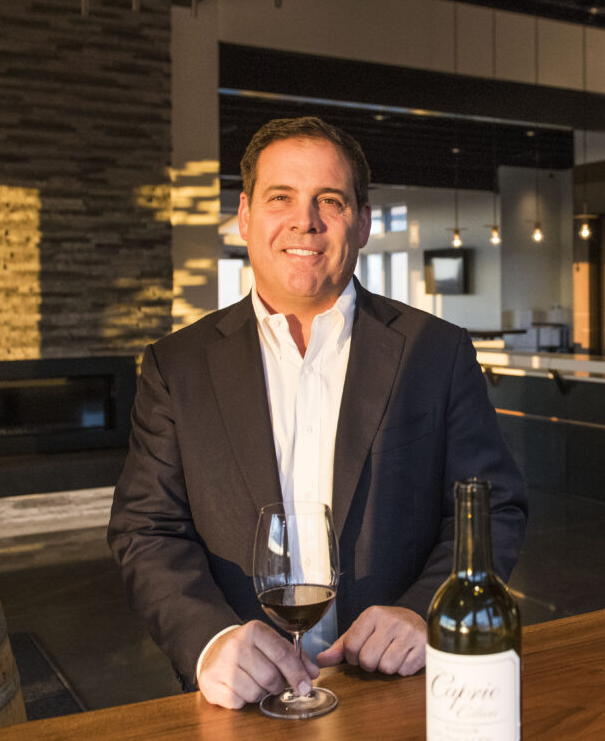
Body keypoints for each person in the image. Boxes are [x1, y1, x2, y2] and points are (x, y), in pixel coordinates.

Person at [107, 116, 528, 710]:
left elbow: (492, 506)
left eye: (329, 200)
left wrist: (424, 612)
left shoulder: (437, 352)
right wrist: (210, 640)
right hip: (241, 698)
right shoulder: (177, 365)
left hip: (395, 688)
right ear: (245, 216)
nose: (305, 220)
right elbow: (146, 528)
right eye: (281, 197)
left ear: (363, 222)